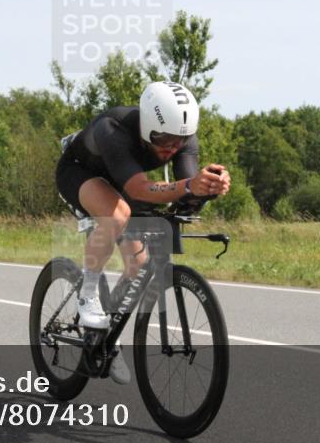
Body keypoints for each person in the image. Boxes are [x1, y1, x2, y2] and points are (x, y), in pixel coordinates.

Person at [56, 81, 232, 383]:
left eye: (180, 140)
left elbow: (186, 188)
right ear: (148, 125)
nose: (172, 148)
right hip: (81, 173)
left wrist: (209, 189)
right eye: (164, 139)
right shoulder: (113, 128)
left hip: (124, 179)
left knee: (138, 264)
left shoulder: (179, 139)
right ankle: (87, 295)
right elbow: (138, 188)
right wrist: (189, 187)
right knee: (117, 215)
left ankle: (105, 340)